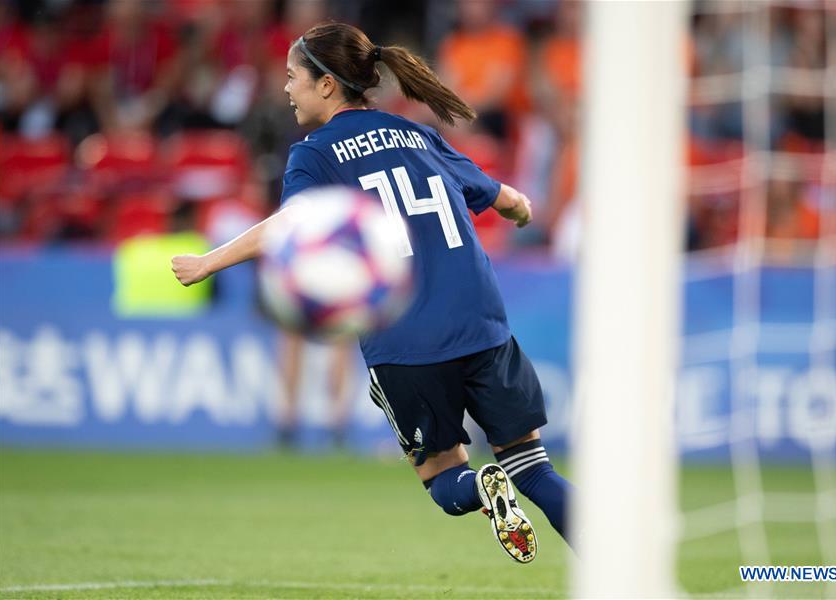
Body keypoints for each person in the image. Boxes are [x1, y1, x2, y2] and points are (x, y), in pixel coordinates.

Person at [171, 22, 572, 563]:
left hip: (406, 336)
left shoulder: (313, 154)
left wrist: (207, 262)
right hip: (481, 320)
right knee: (536, 469)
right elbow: (501, 196)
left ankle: (483, 489)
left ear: (328, 85)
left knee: (443, 478)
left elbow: (291, 228)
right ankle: (625, 572)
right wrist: (520, 208)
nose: (287, 89)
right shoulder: (417, 133)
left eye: (293, 78)